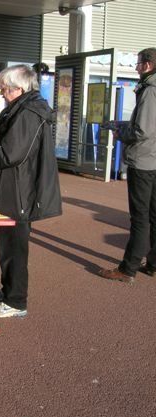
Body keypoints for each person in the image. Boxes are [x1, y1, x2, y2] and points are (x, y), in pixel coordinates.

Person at [0, 65, 62, 318]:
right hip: (15, 187)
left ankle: (16, 301)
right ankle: (9, 291)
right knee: (8, 245)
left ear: (19, 88)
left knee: (14, 247)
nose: (2, 93)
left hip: (20, 191)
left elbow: (9, 154)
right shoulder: (21, 108)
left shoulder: (27, 112)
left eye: (5, 88)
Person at [99, 48, 156, 283]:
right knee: (153, 215)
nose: (136, 67)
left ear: (149, 64)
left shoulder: (150, 89)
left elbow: (143, 130)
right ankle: (152, 264)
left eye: (139, 63)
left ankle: (127, 268)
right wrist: (122, 123)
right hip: (153, 159)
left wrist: (119, 130)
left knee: (140, 217)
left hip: (144, 161)